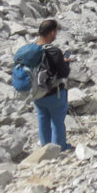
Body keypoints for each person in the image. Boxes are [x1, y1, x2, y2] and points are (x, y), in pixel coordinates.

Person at [33, 18, 73, 151]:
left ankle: (46, 148)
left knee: (43, 119)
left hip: (37, 93)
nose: (56, 35)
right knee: (57, 120)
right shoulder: (54, 51)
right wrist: (65, 61)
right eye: (55, 32)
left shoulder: (32, 50)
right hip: (54, 93)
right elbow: (64, 73)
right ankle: (59, 147)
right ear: (51, 33)